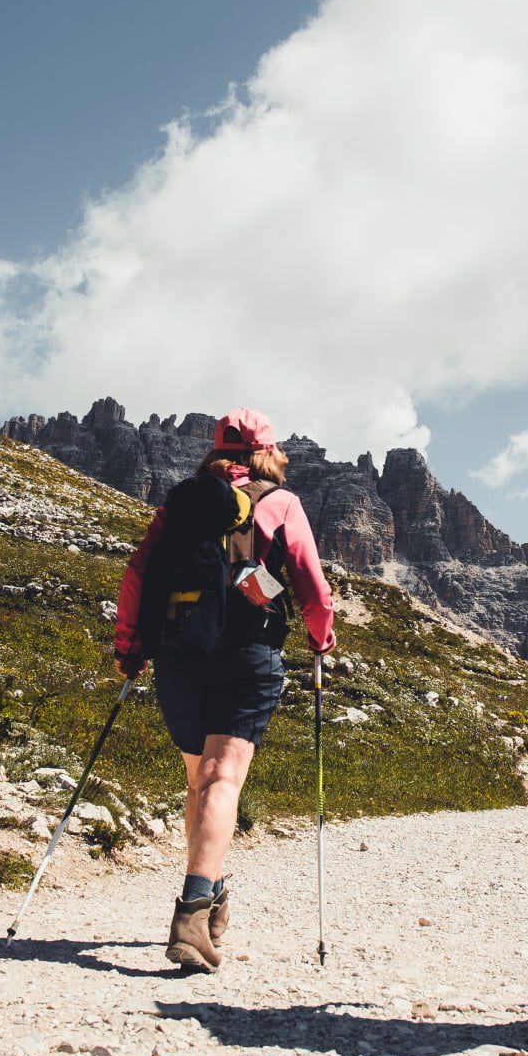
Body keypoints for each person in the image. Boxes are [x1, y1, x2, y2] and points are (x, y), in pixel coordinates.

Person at [114, 408, 335, 972]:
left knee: (200, 779)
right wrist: (321, 638)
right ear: (267, 452)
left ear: (216, 451)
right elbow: (309, 581)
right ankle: (192, 910)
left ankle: (211, 896)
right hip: (246, 650)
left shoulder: (179, 504)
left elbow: (138, 574)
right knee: (223, 778)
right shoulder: (279, 502)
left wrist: (129, 648)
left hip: (179, 653)